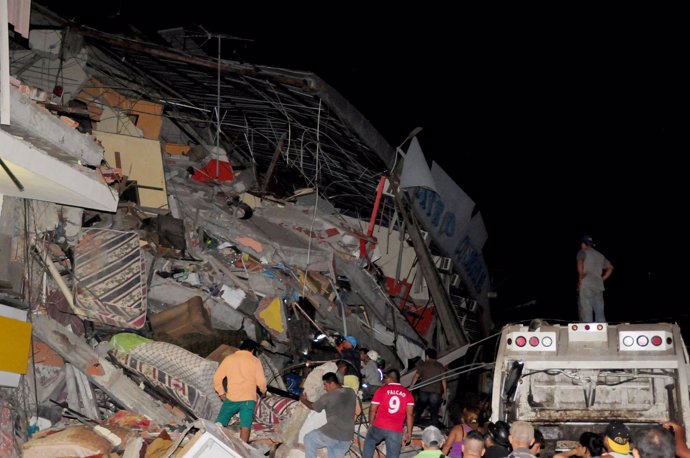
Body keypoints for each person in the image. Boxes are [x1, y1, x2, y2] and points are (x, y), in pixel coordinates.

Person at [213, 339, 267, 443]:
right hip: (248, 399)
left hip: (232, 397)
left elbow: (217, 377)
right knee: (245, 425)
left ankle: (214, 441)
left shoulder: (229, 359)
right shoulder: (255, 361)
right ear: (252, 351)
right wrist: (263, 391)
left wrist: (221, 393)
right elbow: (261, 381)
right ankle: (242, 450)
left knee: (221, 421)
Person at [300, 371, 357, 458]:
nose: (324, 388)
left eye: (325, 385)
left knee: (309, 438)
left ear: (332, 384)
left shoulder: (328, 397)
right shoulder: (351, 392)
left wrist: (304, 400)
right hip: (347, 436)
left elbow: (314, 407)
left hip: (332, 433)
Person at [362, 369, 414, 458]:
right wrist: (409, 432)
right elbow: (410, 415)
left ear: (389, 379)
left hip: (379, 426)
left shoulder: (381, 390)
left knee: (370, 440)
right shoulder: (407, 393)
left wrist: (371, 424)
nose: (384, 380)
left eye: (385, 378)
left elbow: (372, 410)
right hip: (396, 430)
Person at [577, 235, 613, 322]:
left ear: (583, 244)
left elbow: (580, 262)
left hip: (587, 285)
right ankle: (601, 331)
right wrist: (603, 278)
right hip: (598, 286)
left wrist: (581, 275)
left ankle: (588, 333)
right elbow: (611, 267)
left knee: (587, 311)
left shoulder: (582, 252)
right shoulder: (600, 255)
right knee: (599, 311)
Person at [411, 348, 447, 428]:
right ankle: (435, 429)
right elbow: (443, 379)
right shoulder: (440, 365)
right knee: (434, 412)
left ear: (427, 356)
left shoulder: (423, 365)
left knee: (419, 409)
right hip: (435, 393)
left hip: (424, 391)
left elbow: (416, 376)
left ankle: (413, 424)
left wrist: (411, 387)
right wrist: (445, 392)